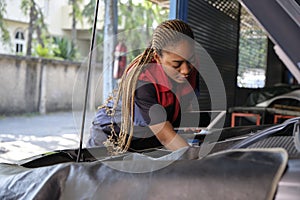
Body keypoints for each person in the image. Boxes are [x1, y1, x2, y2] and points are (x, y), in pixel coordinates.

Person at [87, 19, 199, 155]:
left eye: (190, 60)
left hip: (146, 138)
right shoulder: (142, 82)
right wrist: (202, 161)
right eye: (176, 65)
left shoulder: (189, 68)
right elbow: (166, 137)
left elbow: (186, 101)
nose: (186, 70)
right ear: (157, 58)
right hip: (111, 137)